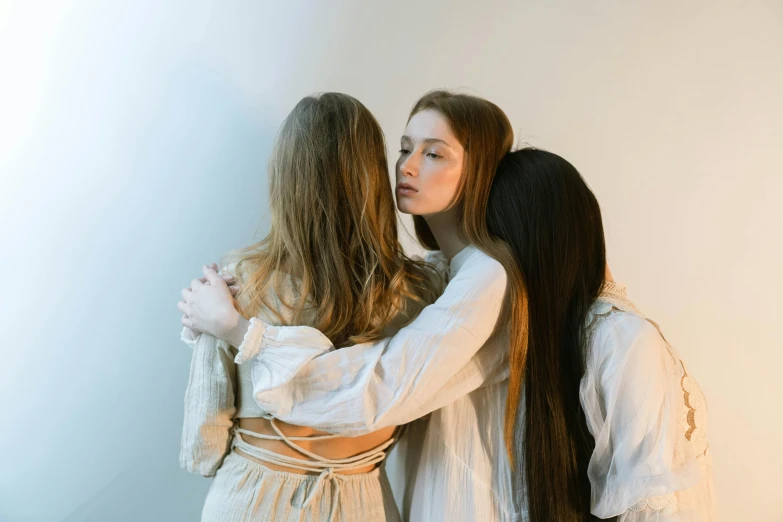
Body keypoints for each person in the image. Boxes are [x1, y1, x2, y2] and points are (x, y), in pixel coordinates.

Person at [177, 92, 442, 522]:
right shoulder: (421, 290)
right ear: (374, 177)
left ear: (285, 181)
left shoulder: (236, 281)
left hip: (251, 501)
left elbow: (201, 448)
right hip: (365, 503)